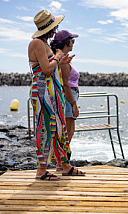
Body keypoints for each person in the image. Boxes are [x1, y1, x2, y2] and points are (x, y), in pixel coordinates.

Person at [28, 10, 85, 180]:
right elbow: (45, 69)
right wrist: (58, 56)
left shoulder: (44, 44)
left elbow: (51, 66)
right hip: (43, 92)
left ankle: (65, 165)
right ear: (49, 29)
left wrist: (61, 61)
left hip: (52, 92)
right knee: (45, 128)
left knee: (59, 128)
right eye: (54, 27)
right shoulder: (37, 43)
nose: (55, 30)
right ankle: (41, 170)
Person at [50, 30, 81, 170]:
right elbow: (66, 85)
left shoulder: (64, 59)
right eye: (72, 41)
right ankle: (62, 163)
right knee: (68, 131)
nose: (73, 43)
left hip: (70, 96)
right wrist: (74, 104)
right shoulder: (62, 61)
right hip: (68, 98)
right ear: (66, 42)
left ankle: (62, 161)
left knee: (68, 131)